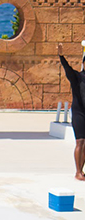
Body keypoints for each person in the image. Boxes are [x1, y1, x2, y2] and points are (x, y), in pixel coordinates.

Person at [58, 43, 85, 181]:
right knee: (80, 141)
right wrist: (61, 55)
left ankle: (82, 171)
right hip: (79, 113)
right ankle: (78, 172)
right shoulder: (77, 77)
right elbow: (67, 69)